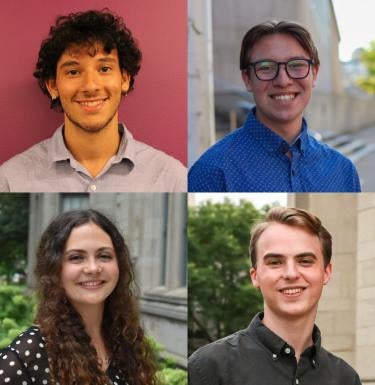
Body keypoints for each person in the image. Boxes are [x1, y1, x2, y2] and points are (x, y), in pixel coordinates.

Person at [0, 9, 186, 192]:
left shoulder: (172, 179)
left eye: (104, 69)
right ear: (53, 86)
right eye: (73, 72)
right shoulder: (10, 181)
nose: (90, 86)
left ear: (124, 79)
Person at [188, 207, 362, 384]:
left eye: (305, 261)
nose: (291, 273)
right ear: (255, 276)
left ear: (326, 272)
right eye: (275, 262)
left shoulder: (346, 379)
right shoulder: (208, 368)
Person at [188, 20, 361, 192]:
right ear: (247, 79)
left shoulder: (343, 171)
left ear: (314, 74)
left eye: (296, 65)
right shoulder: (211, 172)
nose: (283, 81)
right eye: (266, 67)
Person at [0, 209, 157, 385]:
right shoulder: (29, 352)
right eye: (76, 257)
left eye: (104, 256)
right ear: (54, 268)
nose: (93, 268)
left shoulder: (127, 341)